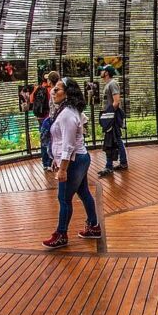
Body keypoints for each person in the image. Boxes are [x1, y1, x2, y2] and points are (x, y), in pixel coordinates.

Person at [42, 77, 102, 249]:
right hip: (79, 159)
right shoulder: (65, 110)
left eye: (58, 89)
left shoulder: (67, 114)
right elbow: (61, 142)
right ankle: (94, 226)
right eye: (54, 88)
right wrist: (55, 158)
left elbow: (68, 145)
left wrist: (63, 169)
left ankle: (61, 234)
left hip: (74, 161)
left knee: (64, 198)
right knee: (83, 192)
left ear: (67, 93)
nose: (53, 91)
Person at [98, 65, 127, 176]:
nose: (101, 72)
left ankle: (109, 166)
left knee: (113, 140)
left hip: (111, 117)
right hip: (108, 116)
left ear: (107, 73)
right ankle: (121, 163)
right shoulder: (107, 84)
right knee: (115, 140)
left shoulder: (112, 84)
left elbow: (116, 101)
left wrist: (109, 116)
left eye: (103, 70)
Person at [33, 71, 60, 172]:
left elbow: (32, 100)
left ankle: (46, 163)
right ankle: (53, 161)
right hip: (51, 118)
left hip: (42, 119)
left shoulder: (39, 89)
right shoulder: (55, 91)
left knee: (44, 139)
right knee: (54, 139)